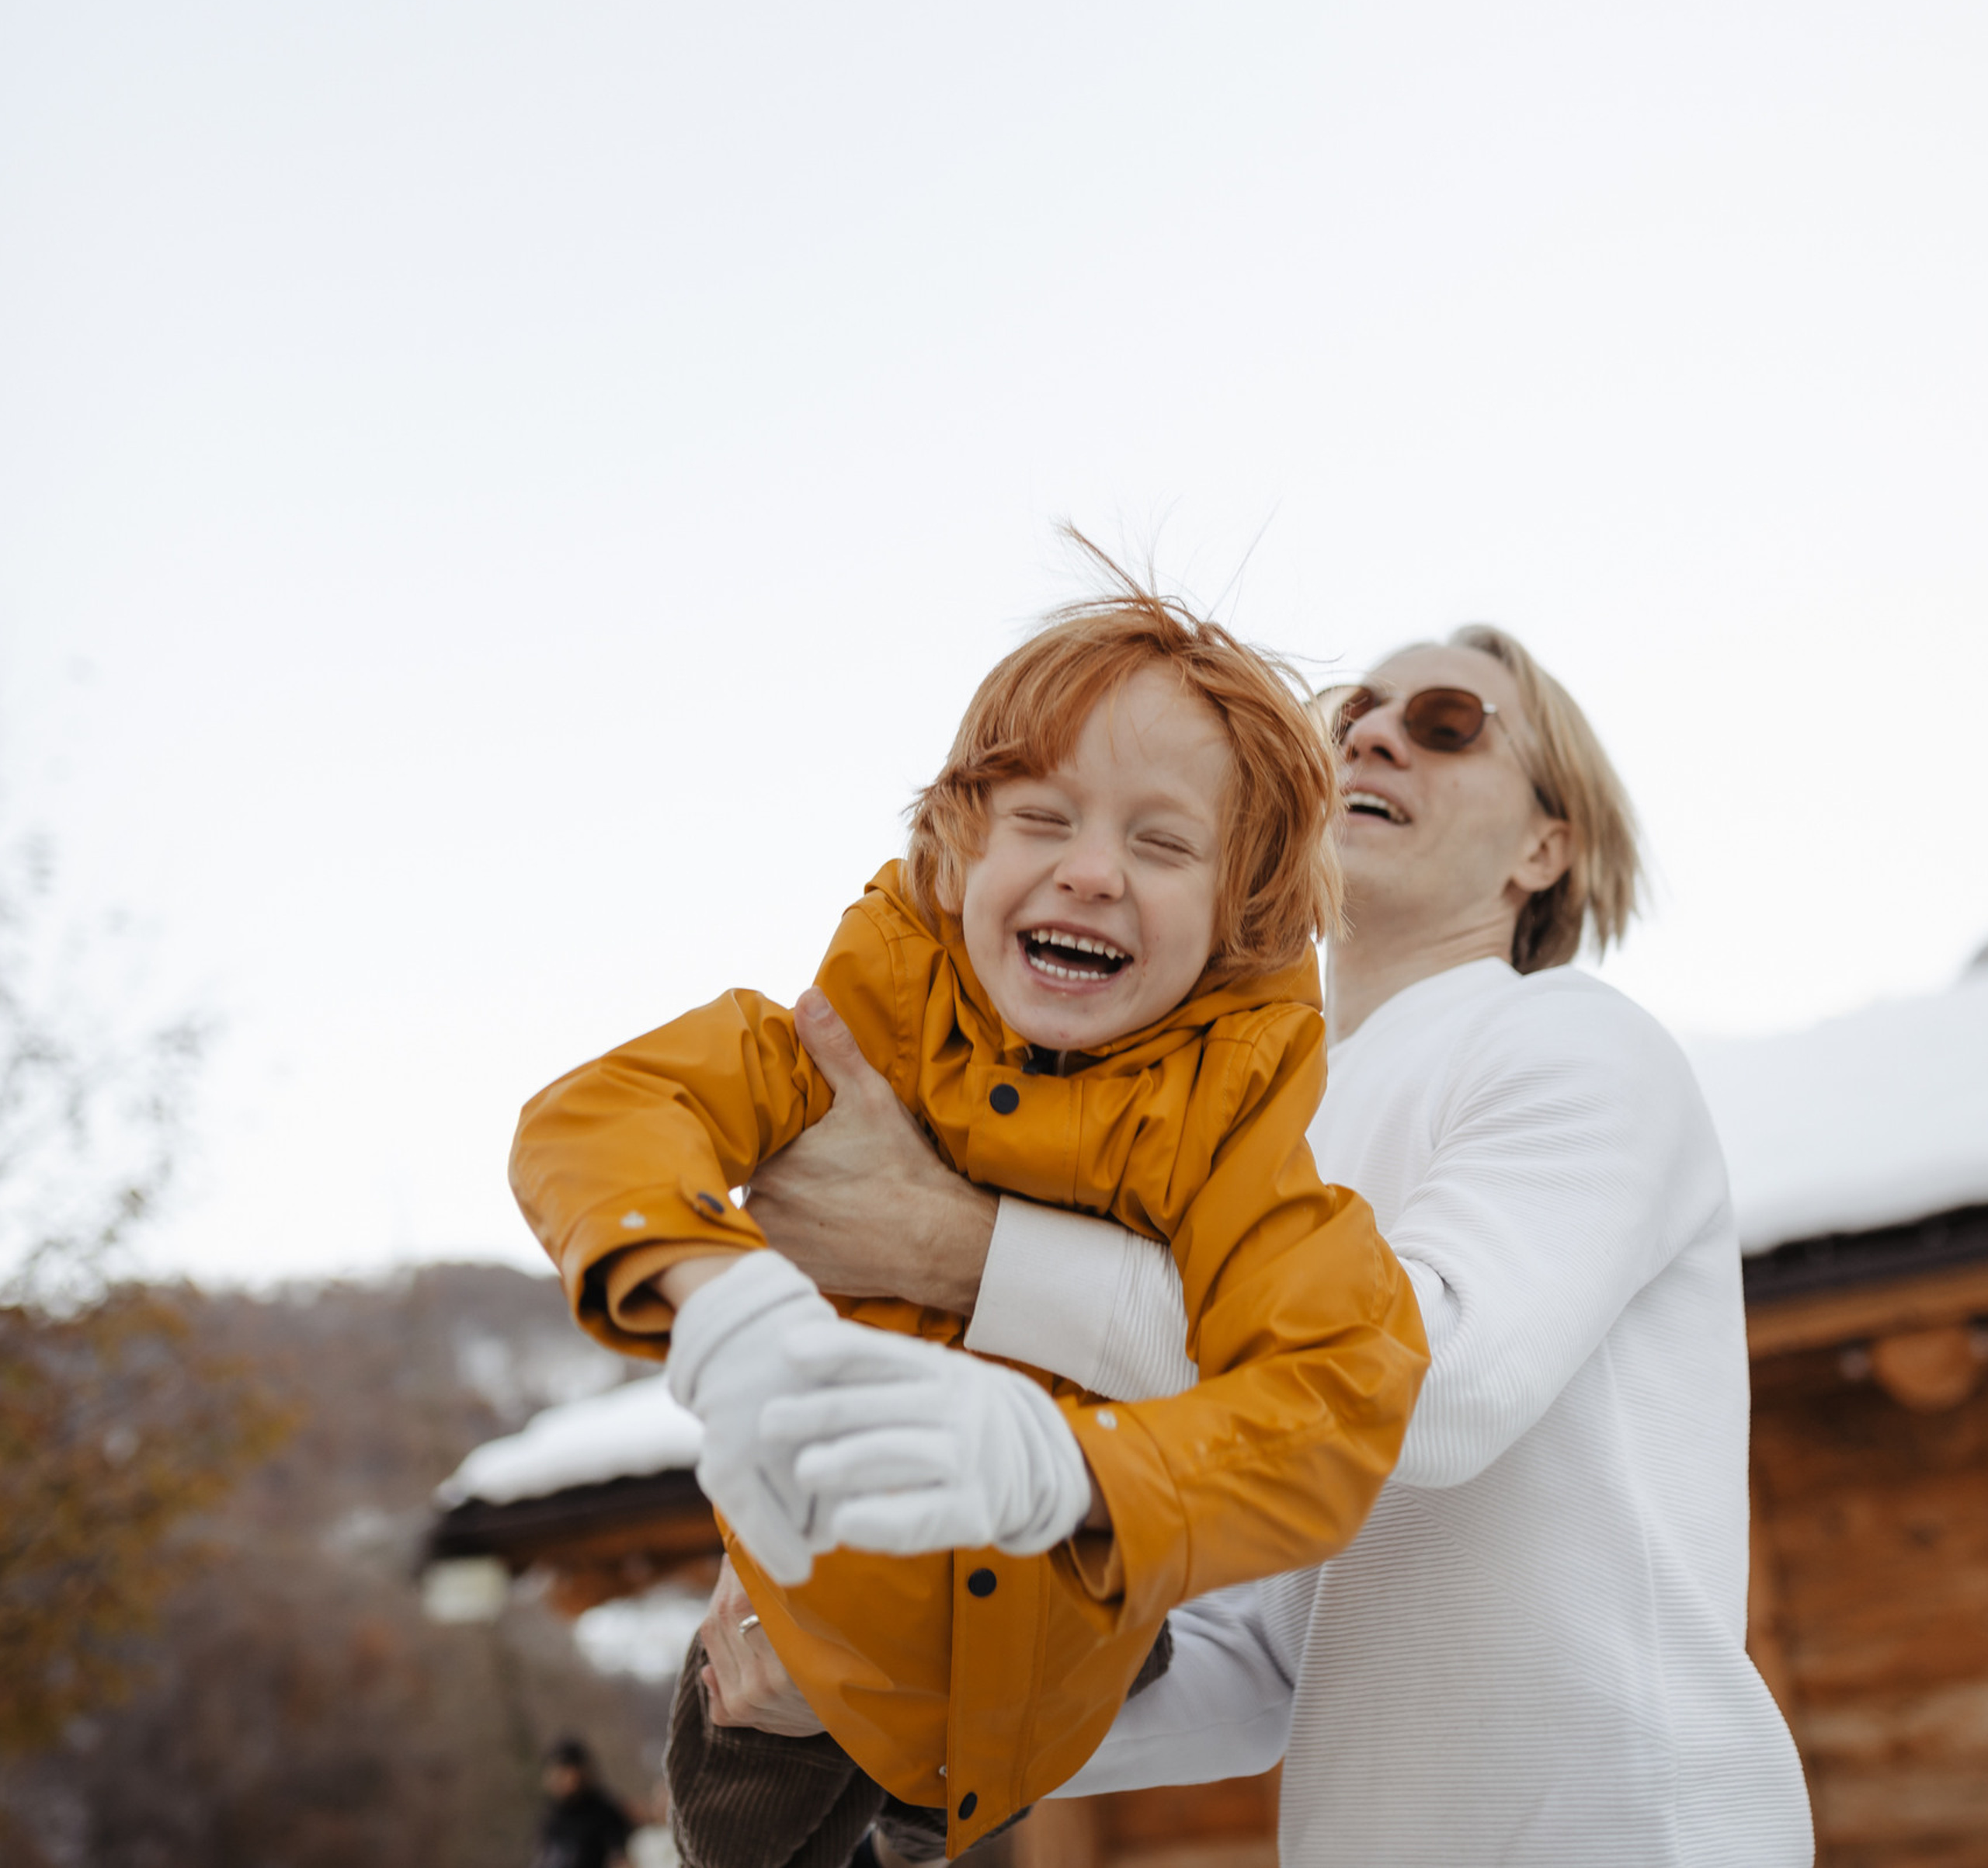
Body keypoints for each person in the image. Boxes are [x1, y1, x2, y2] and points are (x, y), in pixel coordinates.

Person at [704, 625, 1816, 1867]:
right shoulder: (1256, 1144)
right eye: (1349, 712)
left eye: (1447, 720)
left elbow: (1433, 1390)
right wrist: (864, 1688)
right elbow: (1255, 1665)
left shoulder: (1576, 1040)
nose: (1371, 734)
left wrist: (958, 1249)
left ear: (1545, 848)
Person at [509, 575, 1427, 1865]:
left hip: (1049, 1686)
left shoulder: (1229, 1132)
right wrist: (720, 1300)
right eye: (1043, 819)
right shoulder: (845, 1045)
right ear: (957, 849)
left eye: (1164, 845)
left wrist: (1084, 1475)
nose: (1094, 871)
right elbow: (605, 1113)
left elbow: (1343, 1385)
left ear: (1240, 914)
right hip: (801, 1647)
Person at [533, 1739, 634, 1868]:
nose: (557, 1779)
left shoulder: (604, 1814)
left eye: (564, 1772)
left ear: (581, 1772)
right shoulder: (550, 1816)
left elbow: (619, 1857)